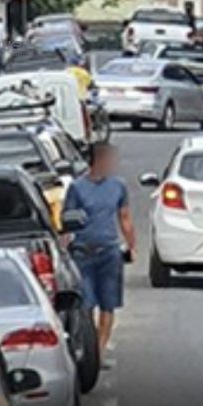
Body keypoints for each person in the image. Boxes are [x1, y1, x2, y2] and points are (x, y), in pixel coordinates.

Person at [63, 143, 136, 361]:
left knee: (108, 304)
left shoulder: (118, 186)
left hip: (109, 252)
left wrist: (131, 245)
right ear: (94, 161)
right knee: (86, 304)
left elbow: (124, 217)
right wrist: (64, 249)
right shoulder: (77, 188)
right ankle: (88, 345)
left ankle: (99, 352)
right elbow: (67, 220)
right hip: (83, 253)